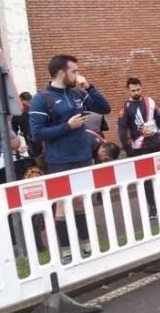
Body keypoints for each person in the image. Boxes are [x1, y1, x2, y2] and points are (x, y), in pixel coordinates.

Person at [29, 54, 112, 259]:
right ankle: (66, 251)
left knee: (80, 201)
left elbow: (104, 108)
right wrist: (68, 126)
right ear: (61, 72)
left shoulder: (77, 93)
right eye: (74, 71)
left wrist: (89, 86)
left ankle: (85, 246)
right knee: (62, 204)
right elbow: (37, 133)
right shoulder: (42, 98)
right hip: (59, 159)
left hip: (83, 155)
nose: (78, 74)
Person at [118, 77, 160, 218]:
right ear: (128, 90)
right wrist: (128, 150)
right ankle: (152, 207)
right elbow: (122, 130)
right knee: (147, 179)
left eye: (138, 89)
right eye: (133, 90)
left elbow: (159, 120)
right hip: (139, 148)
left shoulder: (149, 102)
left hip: (156, 143)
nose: (136, 92)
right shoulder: (126, 108)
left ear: (141, 87)